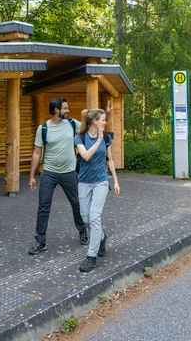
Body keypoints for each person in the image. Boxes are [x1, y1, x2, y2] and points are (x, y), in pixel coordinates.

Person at [28, 98, 87, 255]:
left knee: (76, 203)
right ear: (56, 110)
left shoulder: (73, 124)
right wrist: (31, 176)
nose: (68, 110)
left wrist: (104, 115)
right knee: (43, 206)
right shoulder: (44, 128)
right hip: (49, 173)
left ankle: (83, 231)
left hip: (69, 172)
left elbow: (90, 129)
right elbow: (36, 152)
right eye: (65, 108)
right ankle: (40, 241)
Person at [75, 108, 120, 272]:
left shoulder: (106, 137)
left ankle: (91, 256)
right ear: (95, 121)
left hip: (101, 181)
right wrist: (98, 139)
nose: (105, 122)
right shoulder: (79, 138)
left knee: (94, 217)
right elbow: (85, 156)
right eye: (103, 119)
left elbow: (110, 159)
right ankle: (101, 237)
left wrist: (115, 181)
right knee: (85, 217)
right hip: (84, 182)